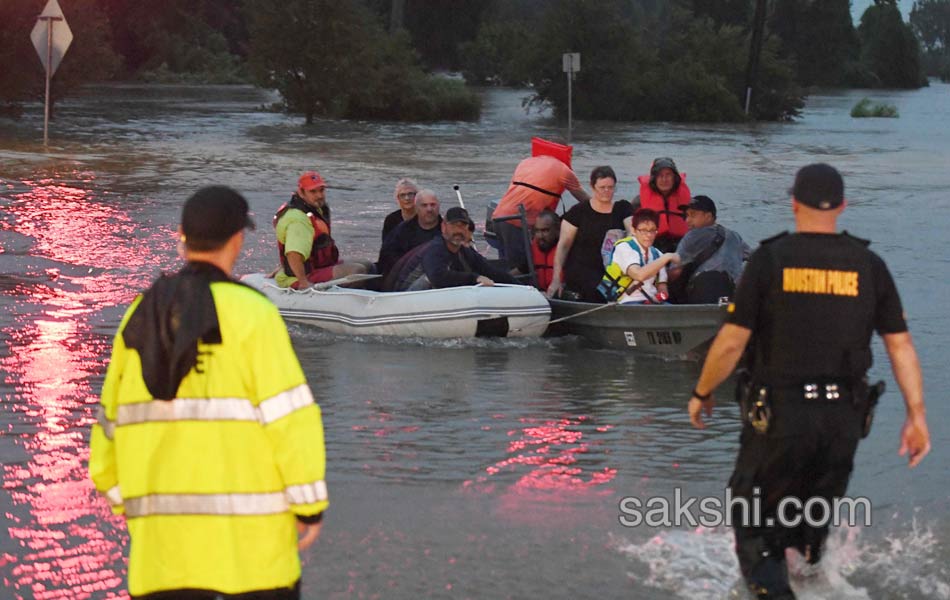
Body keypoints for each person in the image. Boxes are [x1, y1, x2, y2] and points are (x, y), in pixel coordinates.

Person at [686, 164, 931, 599]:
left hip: (780, 419)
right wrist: (916, 415)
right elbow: (901, 347)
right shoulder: (868, 265)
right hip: (843, 423)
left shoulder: (770, 259)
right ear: (842, 206)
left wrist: (702, 393)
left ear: (793, 202)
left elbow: (730, 342)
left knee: (755, 526)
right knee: (805, 537)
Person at [89, 186, 329, 599]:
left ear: (181, 236)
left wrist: (131, 506)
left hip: (161, 563)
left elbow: (108, 430)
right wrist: (308, 506)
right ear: (238, 239)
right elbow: (292, 420)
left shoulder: (141, 313)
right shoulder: (254, 314)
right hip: (253, 563)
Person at [547, 166, 633, 302]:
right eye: (602, 187)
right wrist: (556, 279)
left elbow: (632, 230)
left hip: (612, 269)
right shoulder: (578, 212)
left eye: (610, 187)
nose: (607, 191)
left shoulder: (623, 208)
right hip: (583, 269)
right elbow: (563, 246)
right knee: (597, 290)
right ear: (593, 187)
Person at [491, 153, 590, 269]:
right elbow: (585, 200)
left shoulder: (526, 162)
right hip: (516, 221)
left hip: (498, 216)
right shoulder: (563, 169)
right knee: (521, 267)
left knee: (507, 263)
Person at [274, 171, 370, 289]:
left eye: (321, 190)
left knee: (367, 264)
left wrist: (282, 266)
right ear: (301, 192)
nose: (319, 195)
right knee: (357, 270)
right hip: (303, 276)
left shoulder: (315, 208)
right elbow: (294, 254)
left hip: (319, 267)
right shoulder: (298, 220)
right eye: (313, 191)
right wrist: (303, 283)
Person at [389, 207, 516, 292]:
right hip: (403, 296)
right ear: (444, 227)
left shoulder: (465, 251)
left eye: (463, 226)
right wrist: (475, 278)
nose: (458, 231)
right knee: (429, 278)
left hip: (431, 301)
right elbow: (437, 277)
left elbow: (490, 270)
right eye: (454, 226)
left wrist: (523, 287)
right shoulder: (435, 248)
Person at [668, 195, 751, 304]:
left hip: (705, 292)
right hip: (734, 294)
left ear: (708, 216)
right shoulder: (734, 236)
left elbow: (675, 271)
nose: (687, 220)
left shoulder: (693, 235)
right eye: (686, 215)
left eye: (693, 215)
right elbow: (754, 258)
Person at [598, 208, 680, 303]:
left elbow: (662, 286)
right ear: (633, 230)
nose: (648, 235)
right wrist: (667, 257)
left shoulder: (657, 254)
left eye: (652, 230)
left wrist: (660, 297)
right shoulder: (624, 247)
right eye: (643, 230)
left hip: (650, 302)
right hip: (625, 302)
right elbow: (638, 274)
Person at [376, 188, 442, 276]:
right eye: (424, 205)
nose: (429, 209)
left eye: (433, 205)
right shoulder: (402, 230)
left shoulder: (447, 229)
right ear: (417, 208)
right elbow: (386, 256)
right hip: (406, 275)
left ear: (439, 206)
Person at [632, 157, 692, 252]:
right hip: (652, 247)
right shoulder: (638, 202)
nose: (664, 179)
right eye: (660, 175)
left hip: (682, 247)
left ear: (674, 178)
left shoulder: (689, 203)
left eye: (668, 175)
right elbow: (633, 230)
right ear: (653, 179)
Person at [519, 209, 560, 290]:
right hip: (540, 294)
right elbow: (521, 269)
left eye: (545, 230)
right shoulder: (534, 249)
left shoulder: (570, 250)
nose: (540, 236)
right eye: (537, 231)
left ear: (557, 230)